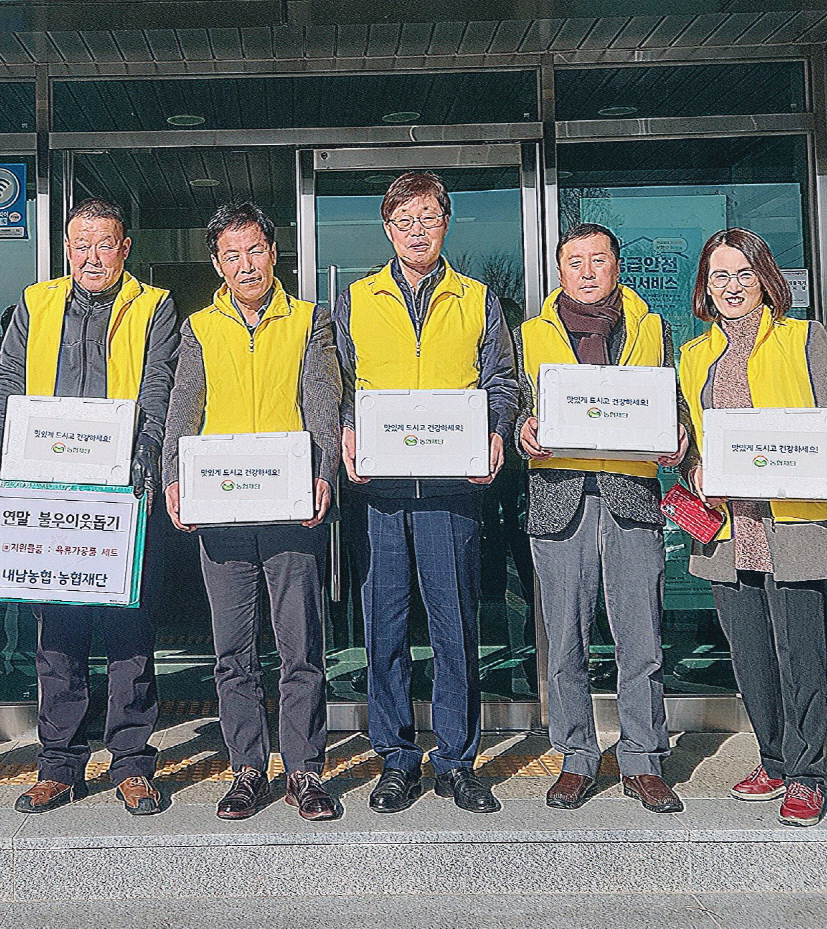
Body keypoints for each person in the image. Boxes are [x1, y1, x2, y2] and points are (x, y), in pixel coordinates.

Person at [0, 198, 179, 817]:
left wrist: (146, 449)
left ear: (125, 249)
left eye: (106, 244)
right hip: (47, 489)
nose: (93, 256)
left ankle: (132, 762)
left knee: (128, 631)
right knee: (56, 631)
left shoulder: (155, 305)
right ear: (68, 249)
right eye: (82, 244)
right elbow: (7, 378)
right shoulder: (35, 305)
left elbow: (159, 381)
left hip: (122, 491)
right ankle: (59, 763)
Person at [335, 170, 518, 815]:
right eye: (405, 220)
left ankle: (456, 759)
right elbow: (338, 388)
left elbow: (502, 379)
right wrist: (346, 432)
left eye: (429, 218)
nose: (418, 231)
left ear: (446, 225)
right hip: (381, 495)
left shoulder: (478, 298)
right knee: (383, 628)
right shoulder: (355, 301)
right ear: (388, 229)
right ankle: (394, 758)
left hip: (451, 494)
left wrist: (495, 432)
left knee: (455, 628)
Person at [680, 228, 827, 828]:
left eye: (743, 274)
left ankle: (808, 773)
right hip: (730, 528)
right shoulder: (694, 355)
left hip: (793, 523)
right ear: (705, 289)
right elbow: (690, 442)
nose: (732, 287)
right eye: (719, 276)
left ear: (765, 279)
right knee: (752, 656)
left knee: (801, 654)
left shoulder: (803, 337)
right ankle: (771, 757)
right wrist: (692, 464)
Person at [163, 202, 342, 821]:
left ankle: (306, 771)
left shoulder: (309, 321)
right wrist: (173, 480)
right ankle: (246, 770)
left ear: (274, 254)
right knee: (232, 651)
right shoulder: (199, 327)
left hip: (291, 510)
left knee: (300, 648)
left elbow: (322, 405)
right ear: (217, 263)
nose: (246, 266)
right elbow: (182, 411)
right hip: (223, 511)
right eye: (232, 255)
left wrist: (324, 476)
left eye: (255, 251)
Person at [515, 222, 686, 813]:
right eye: (574, 262)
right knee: (563, 640)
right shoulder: (529, 333)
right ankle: (576, 757)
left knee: (641, 639)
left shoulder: (652, 328)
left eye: (598, 260)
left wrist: (678, 437)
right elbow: (515, 407)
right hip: (559, 497)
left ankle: (642, 758)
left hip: (630, 496)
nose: (587, 272)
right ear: (558, 271)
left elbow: (674, 404)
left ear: (617, 265)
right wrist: (523, 431)